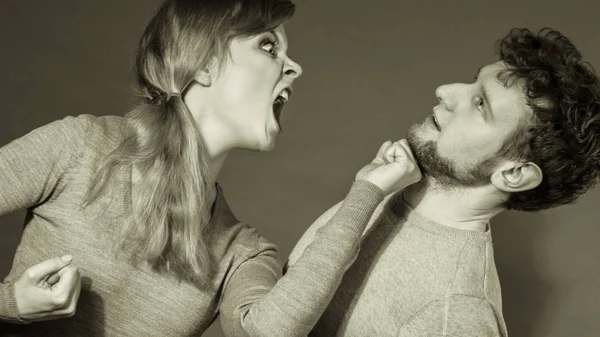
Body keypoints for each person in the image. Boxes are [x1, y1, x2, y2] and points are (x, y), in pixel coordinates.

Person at [0, 0, 422, 336]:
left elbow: (269, 332)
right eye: (268, 45)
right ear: (201, 63)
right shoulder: (81, 147)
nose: (295, 67)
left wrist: (367, 191)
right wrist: (11, 306)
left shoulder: (242, 251)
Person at [288, 27, 600, 336]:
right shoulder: (382, 190)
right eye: (472, 81)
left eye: (481, 105)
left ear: (513, 174)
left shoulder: (456, 315)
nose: (445, 90)